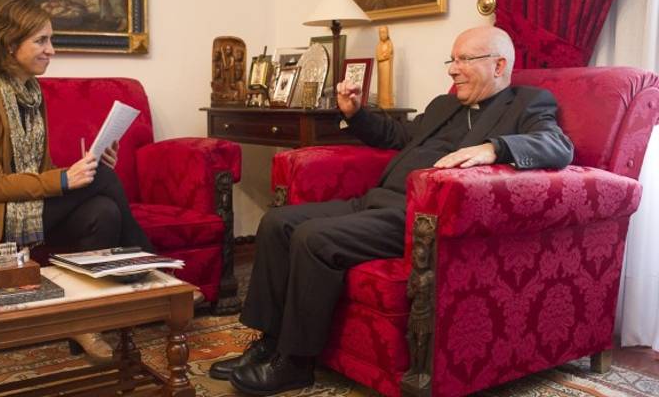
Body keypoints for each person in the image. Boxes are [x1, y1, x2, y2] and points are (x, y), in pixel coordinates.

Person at [208, 26, 574, 395]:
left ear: (499, 65)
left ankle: (295, 362)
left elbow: (557, 145)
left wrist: (494, 148)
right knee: (276, 222)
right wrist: (355, 113)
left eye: (464, 59)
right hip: (376, 201)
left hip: (421, 217)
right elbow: (399, 137)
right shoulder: (444, 105)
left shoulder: (528, 103)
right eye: (453, 59)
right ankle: (268, 343)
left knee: (313, 238)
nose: (452, 69)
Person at [0, 0, 154, 363]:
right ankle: (146, 270)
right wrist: (67, 179)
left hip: (23, 212)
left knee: (103, 208)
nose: (52, 50)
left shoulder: (32, 93)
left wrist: (85, 167)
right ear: (9, 43)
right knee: (100, 182)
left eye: (51, 39)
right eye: (41, 41)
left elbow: (38, 171)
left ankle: (83, 320)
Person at [376, 25, 394, 108]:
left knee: (387, 85)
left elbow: (388, 54)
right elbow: (378, 56)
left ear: (387, 33)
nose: (382, 34)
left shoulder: (389, 44)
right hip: (381, 68)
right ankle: (380, 102)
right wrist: (383, 56)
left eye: (383, 32)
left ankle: (387, 102)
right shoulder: (378, 45)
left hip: (387, 67)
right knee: (381, 85)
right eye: (380, 33)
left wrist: (384, 56)